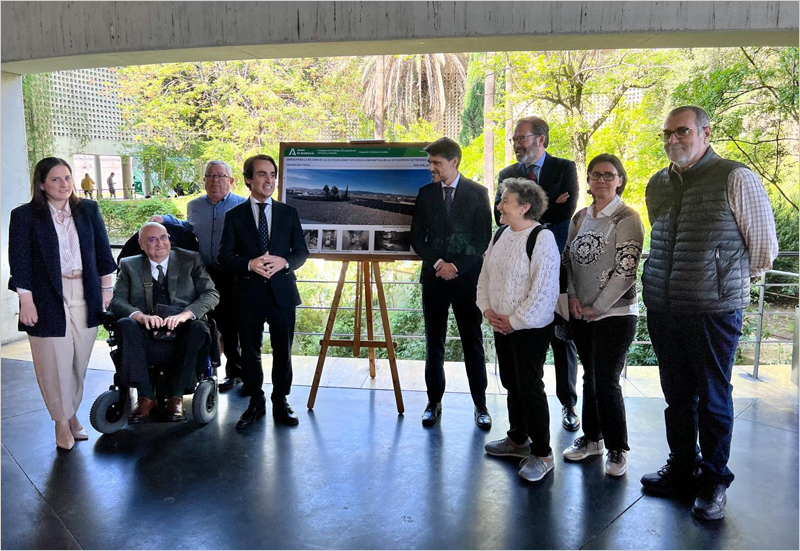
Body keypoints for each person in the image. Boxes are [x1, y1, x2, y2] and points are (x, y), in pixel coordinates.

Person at [640, 106, 778, 520]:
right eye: (666, 134)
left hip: (713, 311)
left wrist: (724, 284)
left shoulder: (735, 176)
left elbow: (764, 250)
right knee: (676, 398)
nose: (672, 140)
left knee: (714, 399)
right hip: (665, 308)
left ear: (705, 132)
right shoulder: (657, 183)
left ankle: (714, 480)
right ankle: (682, 469)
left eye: (681, 131)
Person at [8, 157, 116, 450]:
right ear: (41, 184)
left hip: (86, 291)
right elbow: (20, 262)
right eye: (55, 179)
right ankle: (61, 421)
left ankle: (70, 414)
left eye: (67, 178)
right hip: (46, 296)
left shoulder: (88, 210)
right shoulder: (25, 216)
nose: (64, 184)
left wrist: (107, 288)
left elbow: (103, 251)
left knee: (78, 361)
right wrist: (25, 300)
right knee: (53, 362)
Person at [496, 116, 581, 432]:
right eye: (515, 140)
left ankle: (568, 405)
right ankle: (520, 427)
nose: (517, 144)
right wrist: (549, 205)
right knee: (520, 348)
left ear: (541, 139)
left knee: (562, 341)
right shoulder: (507, 175)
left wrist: (523, 209)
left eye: (522, 138)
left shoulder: (565, 168)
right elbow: (498, 215)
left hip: (555, 271)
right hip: (517, 275)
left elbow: (567, 211)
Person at [561, 154, 644, 477]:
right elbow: (567, 261)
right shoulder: (580, 217)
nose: (602, 181)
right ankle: (592, 439)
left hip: (616, 314)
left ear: (620, 180)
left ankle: (617, 448)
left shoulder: (627, 217)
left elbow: (626, 270)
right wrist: (572, 298)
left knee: (606, 381)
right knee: (589, 377)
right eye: (596, 175)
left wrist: (599, 306)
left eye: (609, 175)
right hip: (581, 312)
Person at [219, 154, 309, 428]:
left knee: (284, 351)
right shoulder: (234, 216)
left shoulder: (287, 213)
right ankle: (256, 403)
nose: (269, 180)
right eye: (261, 174)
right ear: (248, 179)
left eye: (272, 174)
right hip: (248, 294)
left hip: (282, 293)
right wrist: (249, 263)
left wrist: (285, 262)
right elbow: (224, 257)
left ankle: (281, 401)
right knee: (250, 352)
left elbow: (301, 253)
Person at [479, 178, 560, 482]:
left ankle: (542, 453)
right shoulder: (500, 234)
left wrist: (512, 321)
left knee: (529, 386)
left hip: (529, 329)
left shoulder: (542, 238)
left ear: (525, 206)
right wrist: (487, 308)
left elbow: (544, 292)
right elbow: (485, 275)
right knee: (512, 382)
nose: (498, 206)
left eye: (505, 201)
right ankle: (517, 439)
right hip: (502, 325)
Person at [410, 137, 493, 430]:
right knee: (434, 342)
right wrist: (438, 265)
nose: (431, 168)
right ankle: (433, 402)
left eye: (436, 163)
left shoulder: (478, 192)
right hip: (434, 279)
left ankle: (480, 405)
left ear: (454, 162)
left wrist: (456, 266)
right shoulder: (425, 194)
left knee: (473, 342)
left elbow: (483, 236)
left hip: (467, 279)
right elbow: (417, 238)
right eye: (430, 162)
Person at [109, 222, 219, 423]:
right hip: (145, 328)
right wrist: (140, 316)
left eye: (163, 237)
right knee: (126, 324)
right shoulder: (129, 265)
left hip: (183, 327)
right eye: (151, 239)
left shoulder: (190, 260)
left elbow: (211, 293)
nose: (159, 243)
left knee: (198, 328)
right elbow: (117, 301)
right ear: (141, 245)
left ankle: (176, 397)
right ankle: (145, 397)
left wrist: (186, 314)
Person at [152, 160, 247, 392]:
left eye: (221, 176)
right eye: (210, 175)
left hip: (232, 274)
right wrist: (165, 219)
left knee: (232, 325)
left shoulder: (242, 206)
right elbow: (188, 226)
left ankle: (238, 373)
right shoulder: (194, 205)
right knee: (205, 323)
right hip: (204, 273)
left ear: (231, 181)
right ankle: (206, 372)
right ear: (204, 180)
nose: (215, 180)